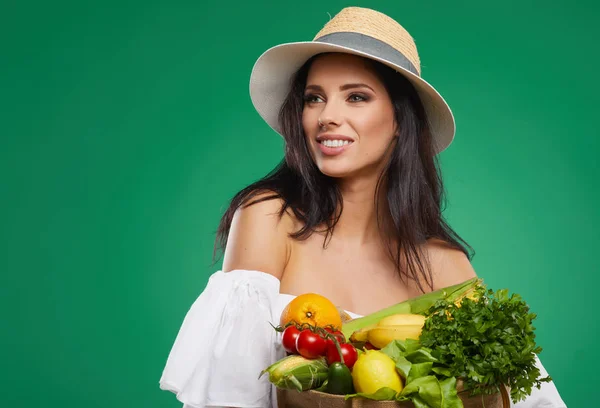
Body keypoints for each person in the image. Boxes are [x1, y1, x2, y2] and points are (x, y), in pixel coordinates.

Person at [159, 7, 566, 408]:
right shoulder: (268, 218)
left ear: (400, 122)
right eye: (314, 98)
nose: (327, 117)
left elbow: (520, 395)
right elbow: (231, 396)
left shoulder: (446, 265)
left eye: (356, 97)